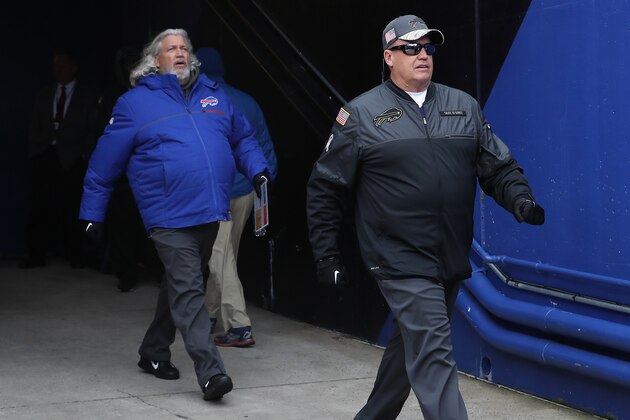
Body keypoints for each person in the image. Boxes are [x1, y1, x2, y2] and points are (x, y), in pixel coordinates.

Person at [306, 14, 545, 420]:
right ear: (389, 57)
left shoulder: (461, 105)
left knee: (410, 346)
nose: (423, 55)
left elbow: (497, 166)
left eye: (428, 47)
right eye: (411, 48)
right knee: (434, 354)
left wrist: (521, 201)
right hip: (398, 258)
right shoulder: (362, 115)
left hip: (449, 255)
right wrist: (327, 256)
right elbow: (326, 186)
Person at [79, 28, 271, 401]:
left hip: (210, 210)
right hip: (167, 215)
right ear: (155, 60)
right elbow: (104, 163)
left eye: (185, 48)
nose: (180, 53)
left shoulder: (213, 96)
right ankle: (211, 372)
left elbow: (242, 138)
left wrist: (257, 168)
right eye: (171, 49)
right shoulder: (135, 104)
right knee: (189, 291)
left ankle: (153, 351)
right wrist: (92, 212)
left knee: (178, 285)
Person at [196, 47, 278, 347]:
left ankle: (239, 326)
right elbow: (266, 150)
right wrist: (262, 187)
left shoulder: (199, 101)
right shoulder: (248, 101)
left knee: (220, 259)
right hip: (245, 192)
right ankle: (210, 315)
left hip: (214, 194)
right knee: (225, 257)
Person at [20, 49, 98, 269]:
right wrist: (36, 150)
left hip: (72, 158)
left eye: (63, 64)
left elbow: (91, 127)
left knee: (72, 206)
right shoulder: (44, 93)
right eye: (56, 65)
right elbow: (34, 124)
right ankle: (36, 254)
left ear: (73, 67)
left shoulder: (86, 95)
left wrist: (84, 154)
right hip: (46, 155)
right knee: (40, 206)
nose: (58, 69)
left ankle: (76, 254)